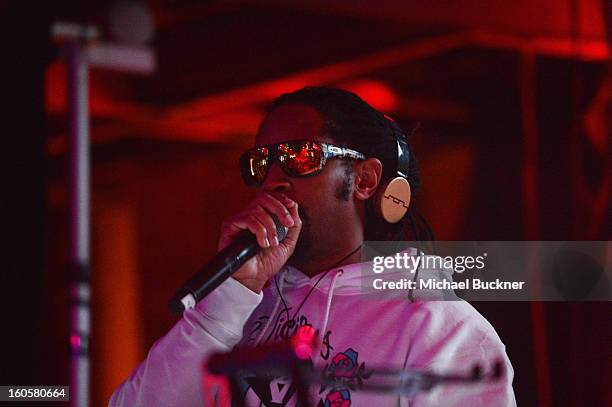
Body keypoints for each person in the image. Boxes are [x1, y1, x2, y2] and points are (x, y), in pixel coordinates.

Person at [110, 86, 516, 406]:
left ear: (365, 180)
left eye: (299, 157)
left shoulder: (440, 330)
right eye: (262, 163)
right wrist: (224, 304)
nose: (274, 179)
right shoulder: (243, 309)